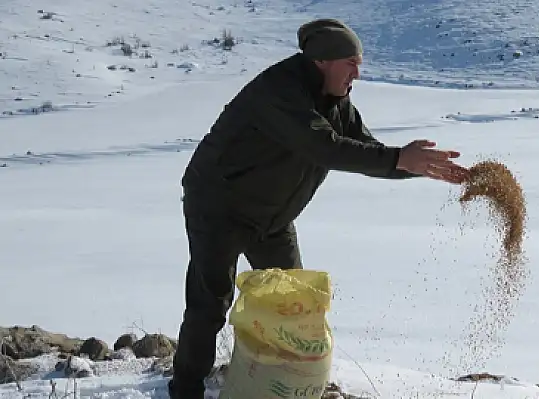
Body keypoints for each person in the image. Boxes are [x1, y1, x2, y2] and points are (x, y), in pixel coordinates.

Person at [167, 17, 469, 399]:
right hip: (219, 206)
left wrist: (422, 168)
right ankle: (185, 389)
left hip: (273, 218)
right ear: (323, 61)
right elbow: (325, 148)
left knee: (296, 306)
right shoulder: (279, 91)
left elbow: (368, 152)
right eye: (351, 63)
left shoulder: (339, 104)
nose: (358, 72)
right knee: (210, 302)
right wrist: (400, 159)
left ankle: (284, 386)